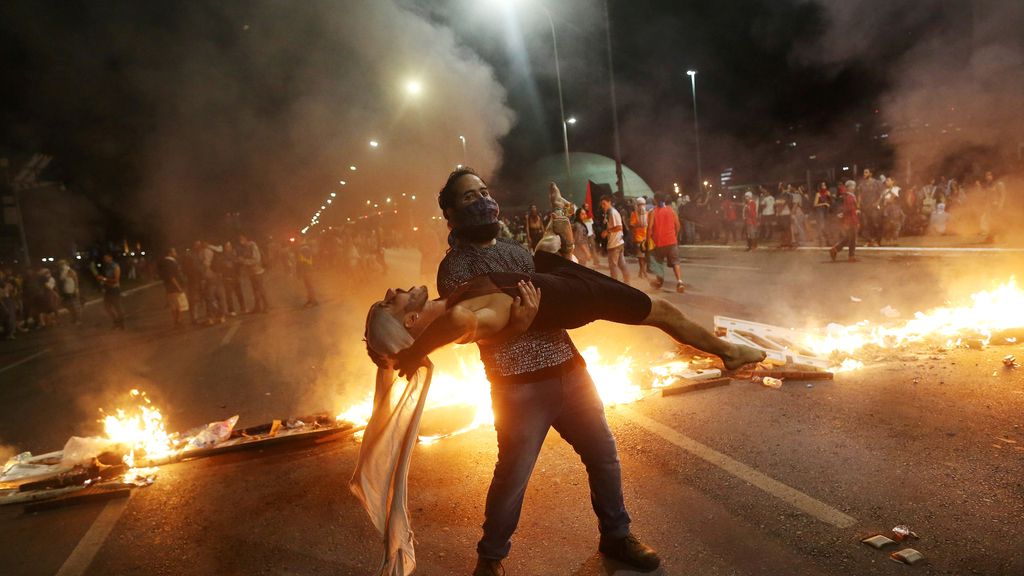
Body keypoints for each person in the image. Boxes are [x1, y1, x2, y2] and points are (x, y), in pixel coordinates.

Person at [370, 168, 662, 576]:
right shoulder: (454, 267)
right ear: (451, 215)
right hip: (518, 387)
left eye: (484, 192)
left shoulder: (515, 251)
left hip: (569, 368)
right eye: (469, 197)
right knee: (512, 476)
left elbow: (551, 291)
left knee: (604, 457)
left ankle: (616, 535)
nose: (482, 201)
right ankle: (491, 558)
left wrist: (562, 234)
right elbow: (472, 331)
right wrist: (518, 326)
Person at [647, 193, 685, 293]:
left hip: (659, 242)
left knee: (658, 262)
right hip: (672, 241)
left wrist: (647, 240)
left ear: (655, 200)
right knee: (675, 262)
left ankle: (659, 281)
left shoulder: (653, 212)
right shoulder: (671, 210)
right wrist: (675, 235)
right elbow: (678, 225)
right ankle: (680, 282)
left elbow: (650, 228)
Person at [600, 195, 631, 284]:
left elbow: (619, 227)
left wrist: (607, 231)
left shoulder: (613, 212)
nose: (603, 206)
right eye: (602, 204)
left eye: (604, 204)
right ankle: (627, 281)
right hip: (618, 242)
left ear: (609, 202)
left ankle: (615, 284)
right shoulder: (609, 212)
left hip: (615, 243)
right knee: (621, 264)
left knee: (613, 266)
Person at [157, 248, 189, 326]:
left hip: (168, 287)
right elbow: (172, 277)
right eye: (174, 251)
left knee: (173, 305)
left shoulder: (163, 262)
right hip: (175, 287)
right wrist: (179, 287)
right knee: (181, 305)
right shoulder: (170, 263)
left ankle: (176, 320)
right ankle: (179, 320)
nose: (176, 253)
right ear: (170, 253)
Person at [830, 180, 860, 262]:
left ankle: (835, 249)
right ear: (849, 187)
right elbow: (849, 209)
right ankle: (851, 256)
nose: (854, 187)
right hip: (851, 220)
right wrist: (855, 215)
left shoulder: (849, 196)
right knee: (852, 239)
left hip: (850, 219)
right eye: (853, 186)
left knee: (848, 238)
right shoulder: (849, 197)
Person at [239, 234, 269, 313]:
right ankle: (258, 307)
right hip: (251, 272)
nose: (240, 241)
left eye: (241, 239)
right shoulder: (245, 248)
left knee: (261, 289)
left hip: (257, 271)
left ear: (246, 239)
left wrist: (245, 261)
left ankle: (266, 306)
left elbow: (256, 259)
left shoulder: (253, 246)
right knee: (255, 290)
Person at [94, 254, 125, 329]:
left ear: (111, 257)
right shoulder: (106, 267)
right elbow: (106, 278)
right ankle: (116, 322)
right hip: (108, 289)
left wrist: (103, 279)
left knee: (117, 307)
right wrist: (102, 281)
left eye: (107, 257)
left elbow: (116, 280)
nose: (105, 259)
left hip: (114, 289)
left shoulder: (115, 266)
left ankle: (121, 323)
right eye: (104, 258)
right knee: (107, 307)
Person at [630, 197, 650, 279]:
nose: (641, 206)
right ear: (637, 205)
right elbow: (631, 225)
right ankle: (644, 272)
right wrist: (638, 224)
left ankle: (641, 271)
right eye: (640, 205)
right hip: (638, 238)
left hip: (646, 237)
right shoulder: (634, 214)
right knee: (640, 256)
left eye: (643, 204)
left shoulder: (648, 214)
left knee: (645, 256)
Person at [56, 260, 80, 325]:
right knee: (67, 305)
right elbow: (61, 280)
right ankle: (74, 318)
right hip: (66, 290)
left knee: (74, 305)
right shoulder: (62, 272)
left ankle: (77, 319)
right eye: (60, 265)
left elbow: (75, 280)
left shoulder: (70, 271)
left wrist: (76, 289)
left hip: (71, 290)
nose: (61, 266)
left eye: (62, 264)